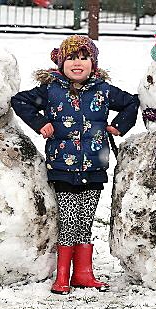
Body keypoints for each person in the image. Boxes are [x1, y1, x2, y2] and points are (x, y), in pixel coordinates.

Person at [11, 35, 139, 295]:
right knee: (69, 220)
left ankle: (83, 273)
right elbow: (19, 101)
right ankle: (62, 276)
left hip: (94, 166)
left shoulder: (103, 90)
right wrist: (40, 123)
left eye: (84, 58)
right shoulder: (50, 89)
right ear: (61, 62)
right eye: (71, 58)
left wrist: (118, 126)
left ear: (93, 63)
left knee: (85, 220)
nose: (77, 63)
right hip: (62, 167)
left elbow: (131, 102)